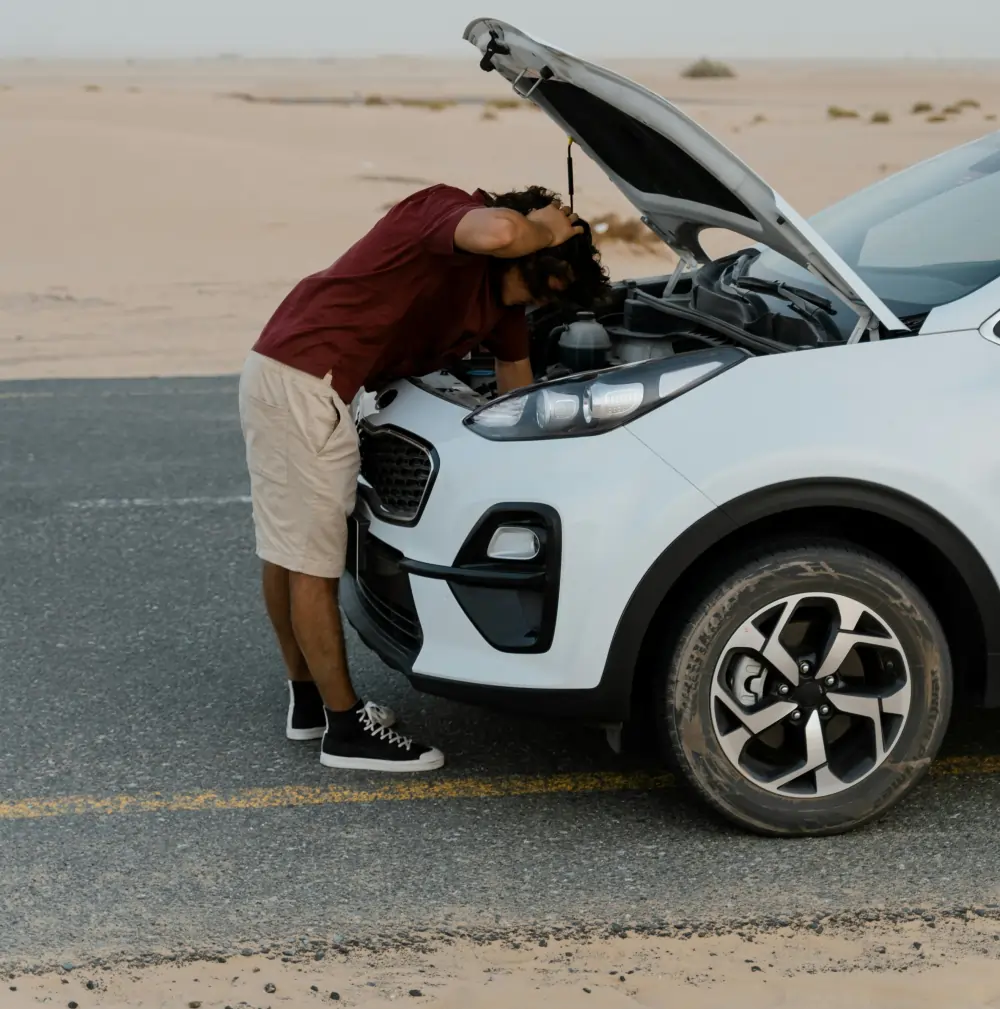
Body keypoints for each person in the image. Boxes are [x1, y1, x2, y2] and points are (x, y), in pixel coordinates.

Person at [239, 183, 610, 773]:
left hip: (304, 379)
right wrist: (546, 225)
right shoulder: (442, 208)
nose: (536, 301)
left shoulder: (502, 305)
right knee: (309, 563)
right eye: (541, 281)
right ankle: (345, 731)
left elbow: (516, 386)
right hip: (304, 380)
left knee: (289, 550)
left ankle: (310, 705)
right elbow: (501, 231)